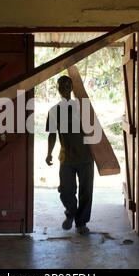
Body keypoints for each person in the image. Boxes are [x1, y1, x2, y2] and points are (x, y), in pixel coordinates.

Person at [45, 76, 94, 235]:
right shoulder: (54, 111)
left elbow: (94, 130)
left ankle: (81, 223)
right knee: (66, 190)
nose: (65, 88)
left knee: (86, 192)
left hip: (86, 157)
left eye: (67, 85)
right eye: (61, 86)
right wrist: (49, 153)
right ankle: (71, 213)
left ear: (72, 87)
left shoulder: (82, 107)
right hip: (66, 157)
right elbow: (52, 134)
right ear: (58, 89)